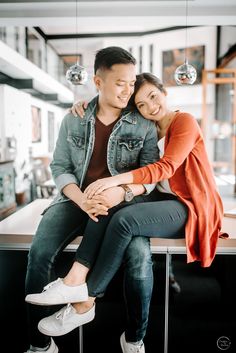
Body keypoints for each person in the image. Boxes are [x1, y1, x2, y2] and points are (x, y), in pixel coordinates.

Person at [27, 71, 227, 351]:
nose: (150, 106)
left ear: (164, 92)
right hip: (163, 199)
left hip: (190, 205)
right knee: (111, 206)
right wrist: (85, 104)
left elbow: (164, 168)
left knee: (124, 221)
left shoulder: (184, 121)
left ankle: (85, 300)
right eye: (142, 104)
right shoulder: (150, 126)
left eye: (153, 97)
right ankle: (75, 281)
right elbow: (113, 106)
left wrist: (113, 180)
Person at [24, 48, 159, 353]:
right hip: (74, 199)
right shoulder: (74, 118)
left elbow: (149, 176)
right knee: (39, 254)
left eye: (132, 82)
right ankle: (40, 345)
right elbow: (60, 167)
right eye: (120, 82)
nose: (128, 90)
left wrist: (121, 193)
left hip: (124, 204)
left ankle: (135, 339)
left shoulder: (144, 124)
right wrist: (81, 199)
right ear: (98, 81)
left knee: (140, 260)